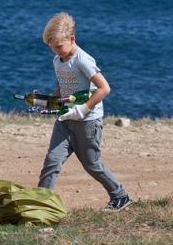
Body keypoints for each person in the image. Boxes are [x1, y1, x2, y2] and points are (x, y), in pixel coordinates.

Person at [38, 12, 132, 212]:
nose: (55, 51)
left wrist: (83, 110)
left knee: (92, 164)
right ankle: (41, 205)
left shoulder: (83, 60)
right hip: (65, 120)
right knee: (52, 161)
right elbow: (64, 87)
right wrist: (49, 101)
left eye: (58, 47)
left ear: (72, 39)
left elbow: (104, 88)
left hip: (88, 122)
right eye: (51, 48)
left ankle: (120, 196)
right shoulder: (57, 60)